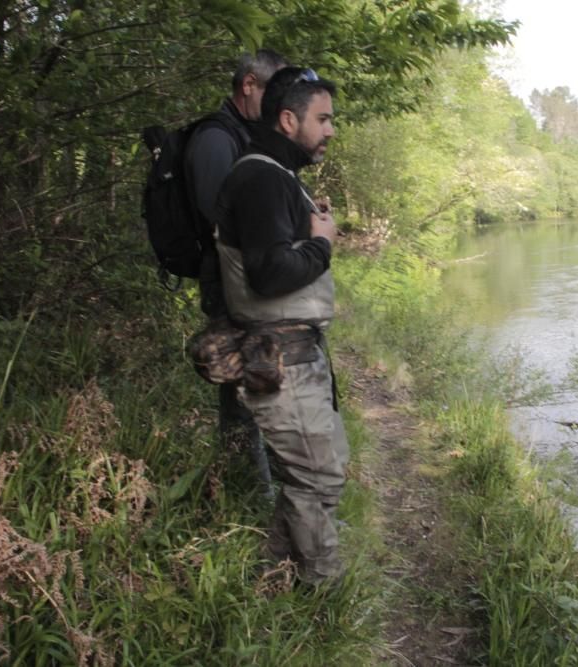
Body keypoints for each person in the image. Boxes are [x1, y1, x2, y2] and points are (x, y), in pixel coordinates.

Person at [213, 66, 347, 585]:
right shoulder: (262, 179)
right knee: (315, 480)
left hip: (295, 356)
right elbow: (270, 274)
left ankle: (279, 577)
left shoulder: (275, 175)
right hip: (282, 361)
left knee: (322, 474)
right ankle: (321, 598)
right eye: (324, 119)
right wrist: (322, 243)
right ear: (288, 120)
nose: (331, 130)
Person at [184, 49, 287, 498]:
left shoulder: (243, 137)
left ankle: (261, 492)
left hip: (249, 282)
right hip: (230, 286)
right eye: (274, 92)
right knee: (244, 389)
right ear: (249, 85)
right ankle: (252, 499)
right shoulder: (215, 141)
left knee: (264, 383)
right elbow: (220, 218)